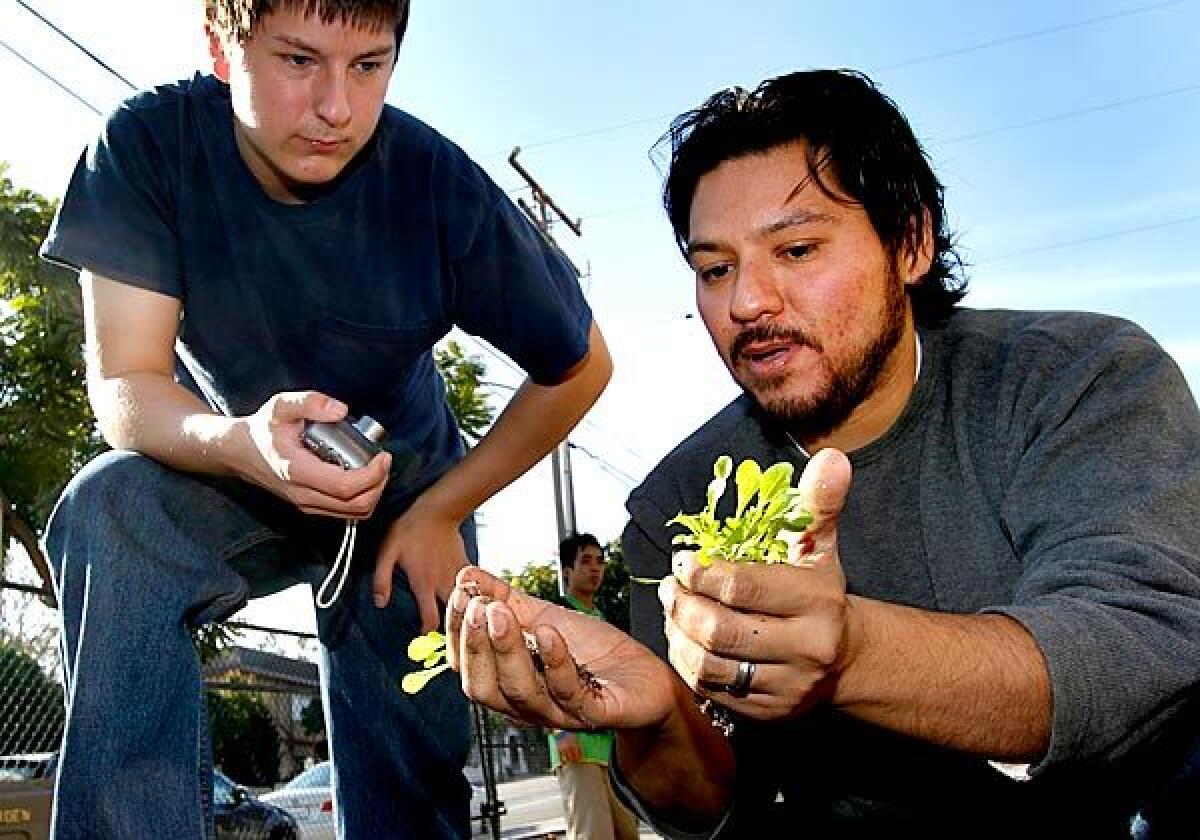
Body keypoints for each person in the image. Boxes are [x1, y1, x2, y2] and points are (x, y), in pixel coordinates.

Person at [443, 68, 1200, 838]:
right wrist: (659, 714)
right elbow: (700, 807)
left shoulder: (1078, 376)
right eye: (715, 269)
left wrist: (848, 651)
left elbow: (1138, 655)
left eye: (797, 248)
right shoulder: (675, 502)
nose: (747, 303)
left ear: (911, 242)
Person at [37, 1, 611, 838]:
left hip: (406, 502)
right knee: (109, 510)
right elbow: (127, 381)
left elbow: (582, 367)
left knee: (408, 786)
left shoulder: (435, 184)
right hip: (235, 464)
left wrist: (440, 511)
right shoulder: (147, 148)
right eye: (299, 61)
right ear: (221, 48)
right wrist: (237, 443)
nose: (336, 107)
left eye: (368, 65)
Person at [545, 533, 639, 840]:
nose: (595, 569)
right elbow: (541, 677)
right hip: (577, 747)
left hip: (613, 750)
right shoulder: (555, 616)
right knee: (592, 834)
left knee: (628, 833)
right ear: (567, 571)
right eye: (586, 561)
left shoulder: (604, 620)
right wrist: (561, 732)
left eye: (600, 561)